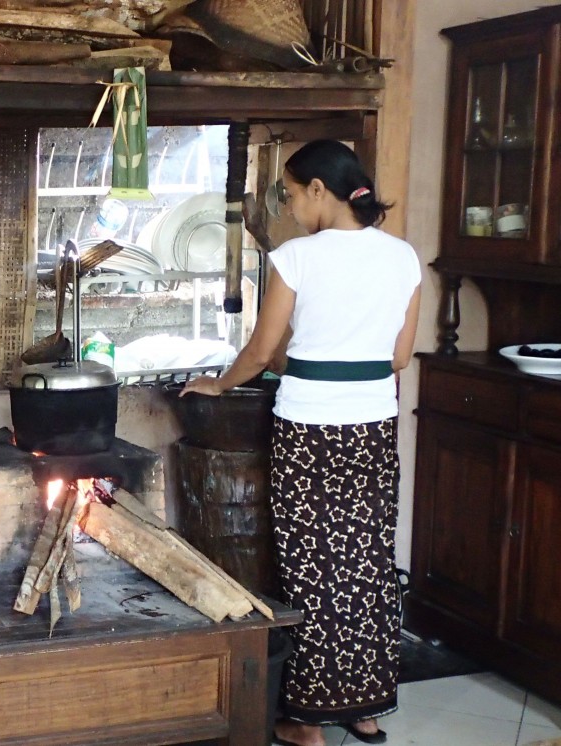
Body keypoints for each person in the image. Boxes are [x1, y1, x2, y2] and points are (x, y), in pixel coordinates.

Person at [181, 139, 421, 746]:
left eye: (289, 194)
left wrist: (217, 383)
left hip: (310, 431)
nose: (287, 208)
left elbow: (260, 353)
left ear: (320, 189)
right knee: (365, 564)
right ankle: (363, 710)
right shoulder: (403, 257)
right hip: (372, 429)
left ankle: (307, 722)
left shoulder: (297, 257)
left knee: (312, 570)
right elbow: (399, 356)